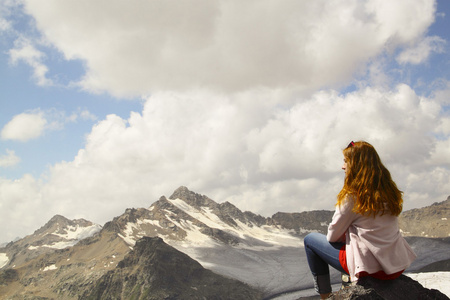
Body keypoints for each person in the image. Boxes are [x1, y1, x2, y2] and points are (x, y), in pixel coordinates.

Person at [304, 141, 416, 299]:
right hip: (394, 267)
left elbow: (332, 236)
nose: (343, 167)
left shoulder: (352, 197)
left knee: (310, 240)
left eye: (345, 161)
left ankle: (325, 296)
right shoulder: (390, 191)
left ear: (356, 165)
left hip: (369, 268)